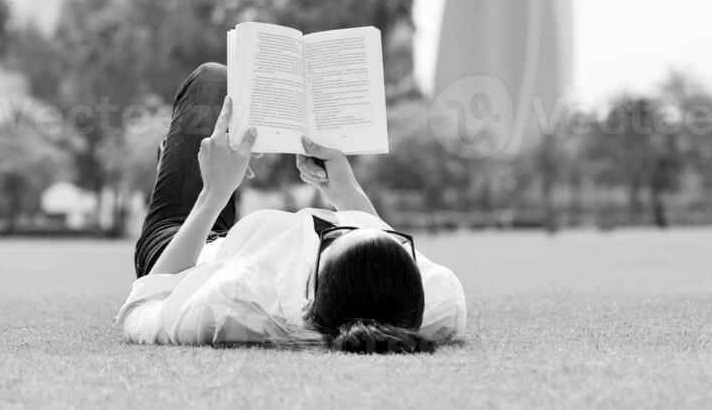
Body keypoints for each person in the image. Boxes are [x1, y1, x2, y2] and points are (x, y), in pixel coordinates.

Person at [117, 63, 466, 352]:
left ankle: (172, 160)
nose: (326, 224)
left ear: (308, 304)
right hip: (239, 244)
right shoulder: (439, 299)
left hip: (193, 255)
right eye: (387, 239)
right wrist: (346, 192)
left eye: (330, 235)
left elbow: (141, 307)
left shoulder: (232, 300)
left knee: (213, 80)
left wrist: (213, 193)